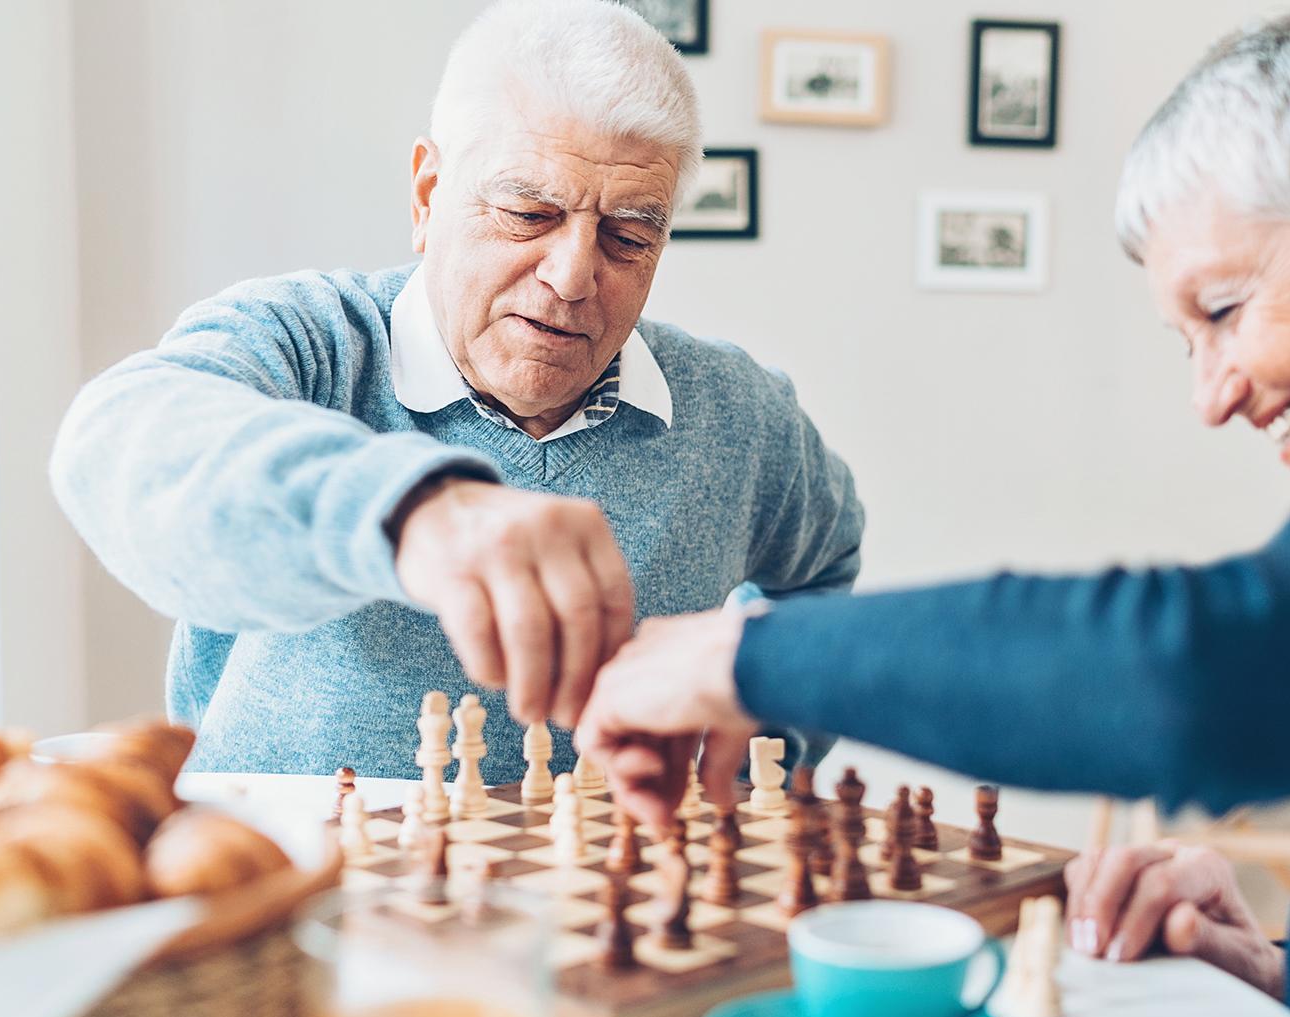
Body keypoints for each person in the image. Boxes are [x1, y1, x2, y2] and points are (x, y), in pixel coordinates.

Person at [574, 6, 1290, 1017]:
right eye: (1186, 339)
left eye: (1228, 309)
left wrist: (733, 658)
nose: (1214, 396)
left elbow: (1194, 670)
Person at [49, 0, 862, 779]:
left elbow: (824, 571)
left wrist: (761, 713)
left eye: (628, 235)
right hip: (312, 893)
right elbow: (116, 441)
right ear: (427, 194)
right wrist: (415, 511)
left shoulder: (741, 415)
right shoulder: (308, 343)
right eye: (527, 213)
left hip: (609, 906)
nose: (574, 275)